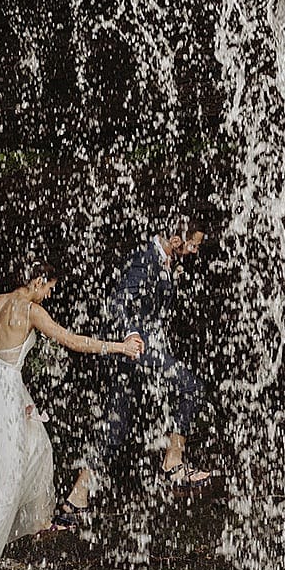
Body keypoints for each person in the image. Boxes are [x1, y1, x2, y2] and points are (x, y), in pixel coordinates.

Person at [0, 260, 144, 570]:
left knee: (35, 446)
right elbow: (72, 340)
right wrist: (119, 347)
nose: (48, 295)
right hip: (4, 394)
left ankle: (36, 527)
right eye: (49, 288)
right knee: (0, 483)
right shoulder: (31, 311)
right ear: (37, 280)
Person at [58, 214, 216, 524]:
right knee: (192, 388)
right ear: (175, 240)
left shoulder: (166, 260)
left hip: (141, 350)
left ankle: (76, 499)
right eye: (193, 245)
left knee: (116, 426)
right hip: (135, 348)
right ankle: (173, 462)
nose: (195, 251)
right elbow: (119, 301)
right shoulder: (144, 259)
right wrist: (130, 333)